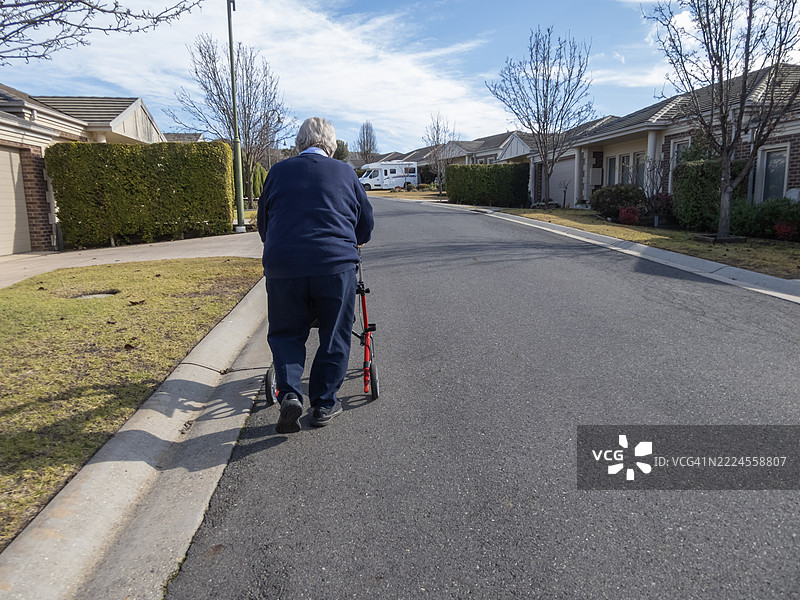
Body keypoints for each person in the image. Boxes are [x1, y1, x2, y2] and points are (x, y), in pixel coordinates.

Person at [257, 117, 374, 433]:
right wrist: (354, 239)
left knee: (285, 333)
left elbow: (264, 226)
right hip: (333, 265)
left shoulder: (277, 173)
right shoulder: (346, 173)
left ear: (299, 144)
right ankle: (323, 402)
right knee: (335, 333)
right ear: (332, 147)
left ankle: (290, 394)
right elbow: (365, 225)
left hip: (284, 265)